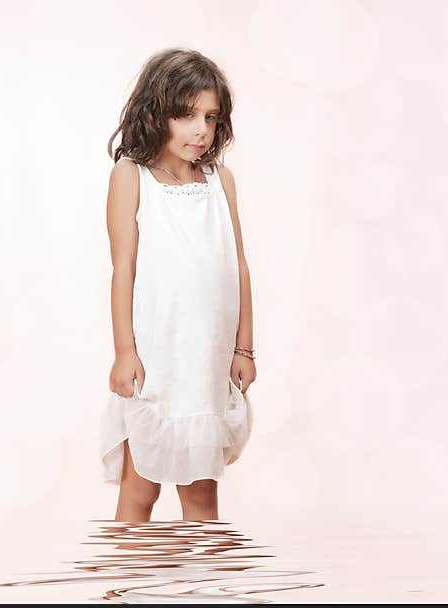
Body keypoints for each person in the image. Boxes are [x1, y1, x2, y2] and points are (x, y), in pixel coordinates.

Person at [99, 48, 255, 522]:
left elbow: (238, 267)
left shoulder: (219, 181)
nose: (200, 130)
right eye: (186, 115)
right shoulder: (132, 177)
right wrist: (125, 351)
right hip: (157, 356)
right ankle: (124, 592)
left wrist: (243, 349)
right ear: (156, 112)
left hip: (205, 360)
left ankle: (201, 593)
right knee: (140, 488)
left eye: (210, 117)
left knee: (201, 496)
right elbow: (122, 268)